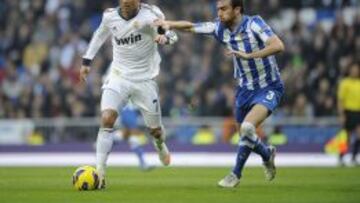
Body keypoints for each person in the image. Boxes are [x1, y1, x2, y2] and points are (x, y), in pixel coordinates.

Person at [155, 0, 285, 187]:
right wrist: (169, 24)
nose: (219, 13)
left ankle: (235, 174)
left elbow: (278, 45)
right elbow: (191, 27)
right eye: (218, 9)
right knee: (245, 135)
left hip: (269, 86)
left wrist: (249, 56)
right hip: (244, 90)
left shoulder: (254, 23)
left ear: (237, 10)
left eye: (224, 9)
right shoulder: (220, 28)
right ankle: (266, 154)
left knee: (248, 129)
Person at [80, 0, 178, 189]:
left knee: (155, 131)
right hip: (118, 77)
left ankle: (159, 144)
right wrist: (86, 61)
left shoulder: (152, 14)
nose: (125, 2)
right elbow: (99, 35)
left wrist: (164, 38)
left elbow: (172, 36)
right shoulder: (109, 16)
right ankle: (100, 173)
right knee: (107, 119)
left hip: (145, 80)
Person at [113, 104, 154, 171]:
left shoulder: (130, 107)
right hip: (124, 124)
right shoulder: (128, 108)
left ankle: (143, 164)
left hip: (124, 124)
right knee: (134, 139)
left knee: (133, 141)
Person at [337, 63, 360, 166]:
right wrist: (342, 114)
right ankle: (341, 157)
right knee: (347, 137)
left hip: (358, 112)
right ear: (350, 70)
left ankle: (354, 157)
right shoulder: (345, 83)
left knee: (359, 135)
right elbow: (341, 100)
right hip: (349, 111)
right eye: (353, 69)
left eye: (356, 69)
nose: (355, 71)